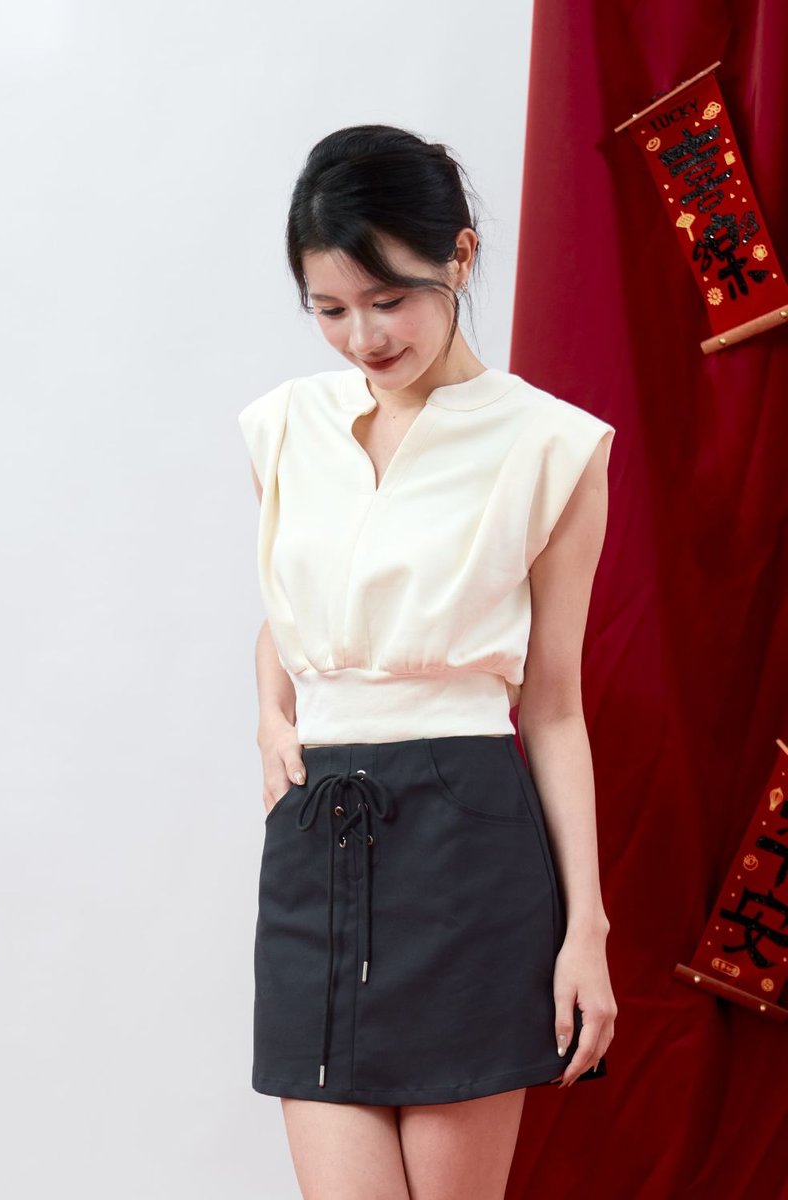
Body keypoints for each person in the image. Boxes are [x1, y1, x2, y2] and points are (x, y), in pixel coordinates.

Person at [237, 124, 618, 1200]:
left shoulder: (550, 446)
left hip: (466, 840)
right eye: (329, 309)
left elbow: (552, 707)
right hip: (315, 843)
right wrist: (272, 718)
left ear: (459, 256)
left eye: (388, 298)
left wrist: (585, 930)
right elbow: (291, 615)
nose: (362, 336)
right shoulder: (284, 428)